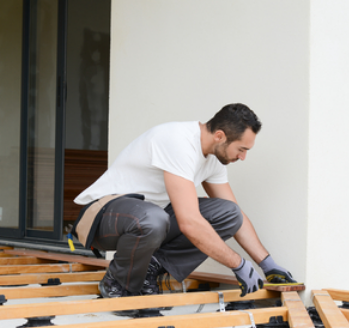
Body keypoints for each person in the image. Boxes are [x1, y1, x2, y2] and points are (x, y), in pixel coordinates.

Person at [73, 103, 297, 299]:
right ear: (220, 136)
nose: (243, 157)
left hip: (150, 219)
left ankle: (148, 270)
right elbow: (189, 222)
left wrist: (267, 264)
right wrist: (238, 264)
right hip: (104, 217)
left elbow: (236, 216)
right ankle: (118, 284)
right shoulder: (177, 141)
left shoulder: (214, 159)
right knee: (154, 218)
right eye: (241, 149)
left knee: (228, 213)